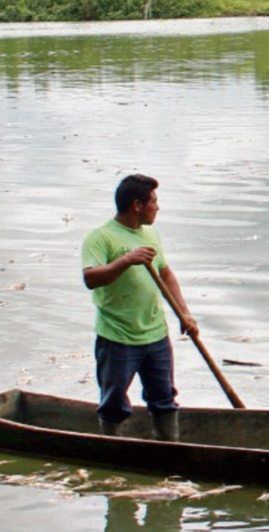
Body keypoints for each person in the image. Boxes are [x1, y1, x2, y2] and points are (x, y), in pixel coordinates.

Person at [81, 174, 197, 441]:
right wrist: (126, 260)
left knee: (164, 397)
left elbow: (165, 274)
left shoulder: (150, 234)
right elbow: (91, 278)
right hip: (118, 336)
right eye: (153, 201)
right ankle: (112, 449)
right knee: (113, 403)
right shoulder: (101, 237)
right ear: (137, 205)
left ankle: (169, 449)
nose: (157, 207)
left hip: (155, 334)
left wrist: (184, 313)